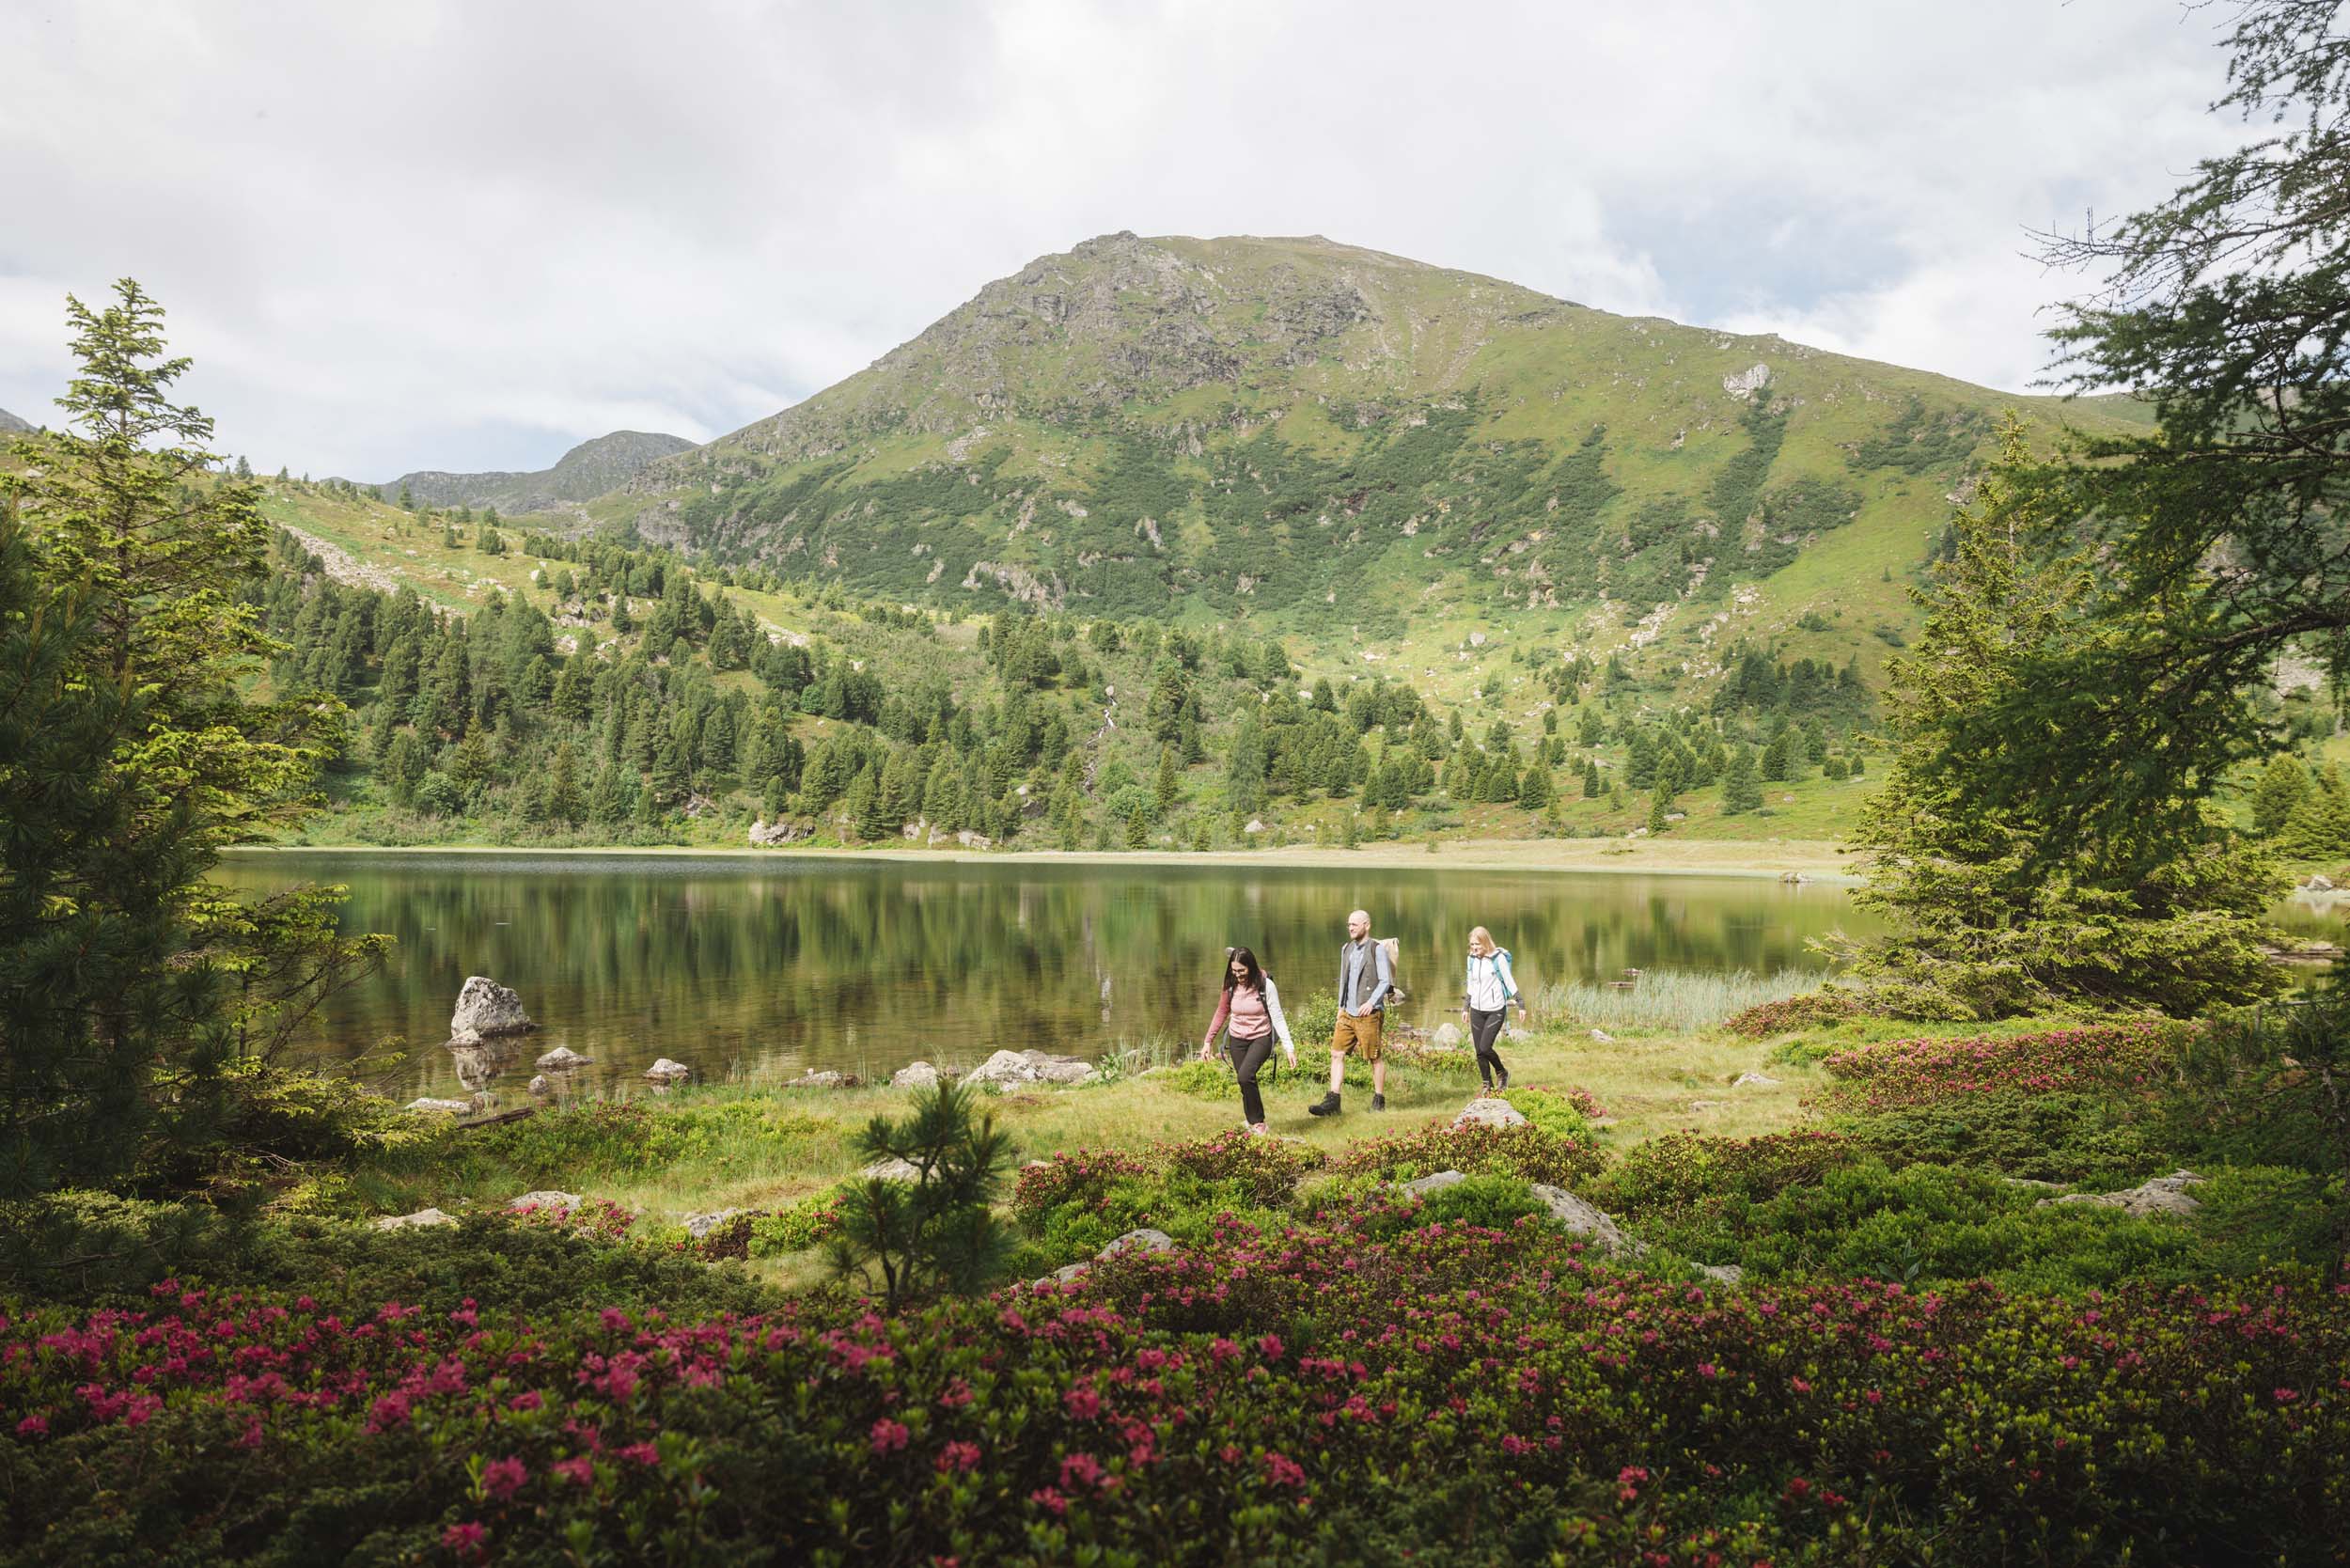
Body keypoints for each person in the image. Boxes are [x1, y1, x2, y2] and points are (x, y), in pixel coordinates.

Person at [1198, 946, 1297, 1134]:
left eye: (1241, 971)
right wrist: (1207, 1041)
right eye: (1234, 971)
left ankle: (1259, 1123)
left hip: (1261, 1037)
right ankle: (1252, 1120)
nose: (1238, 975)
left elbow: (1277, 1016)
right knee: (1244, 1080)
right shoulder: (1230, 985)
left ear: (1250, 967)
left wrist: (1288, 1047)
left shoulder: (1265, 985)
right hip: (1237, 1038)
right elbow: (1221, 1012)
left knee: (1245, 1076)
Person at [1308, 908, 1391, 1117]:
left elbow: (1385, 981)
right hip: (1346, 1012)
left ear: (1367, 925)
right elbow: (1343, 982)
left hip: (1369, 1014)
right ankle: (1333, 1101)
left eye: (1354, 924)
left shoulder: (1377, 949)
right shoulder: (1346, 949)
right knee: (1336, 1053)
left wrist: (1372, 1003)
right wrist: (1339, 1007)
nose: (1350, 928)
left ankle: (1379, 1099)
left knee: (1374, 1057)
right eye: (1348, 924)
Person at [1462, 925, 1526, 1092]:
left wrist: (1520, 1004)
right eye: (1472, 944)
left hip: (1495, 1009)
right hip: (1476, 1009)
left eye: (1478, 944)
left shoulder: (1498, 959)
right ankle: (1486, 1084)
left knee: (1485, 1047)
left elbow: (1509, 981)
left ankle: (1502, 1073)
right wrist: (1465, 1007)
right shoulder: (1471, 959)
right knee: (1479, 1051)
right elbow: (1471, 983)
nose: (1474, 948)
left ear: (1485, 943)